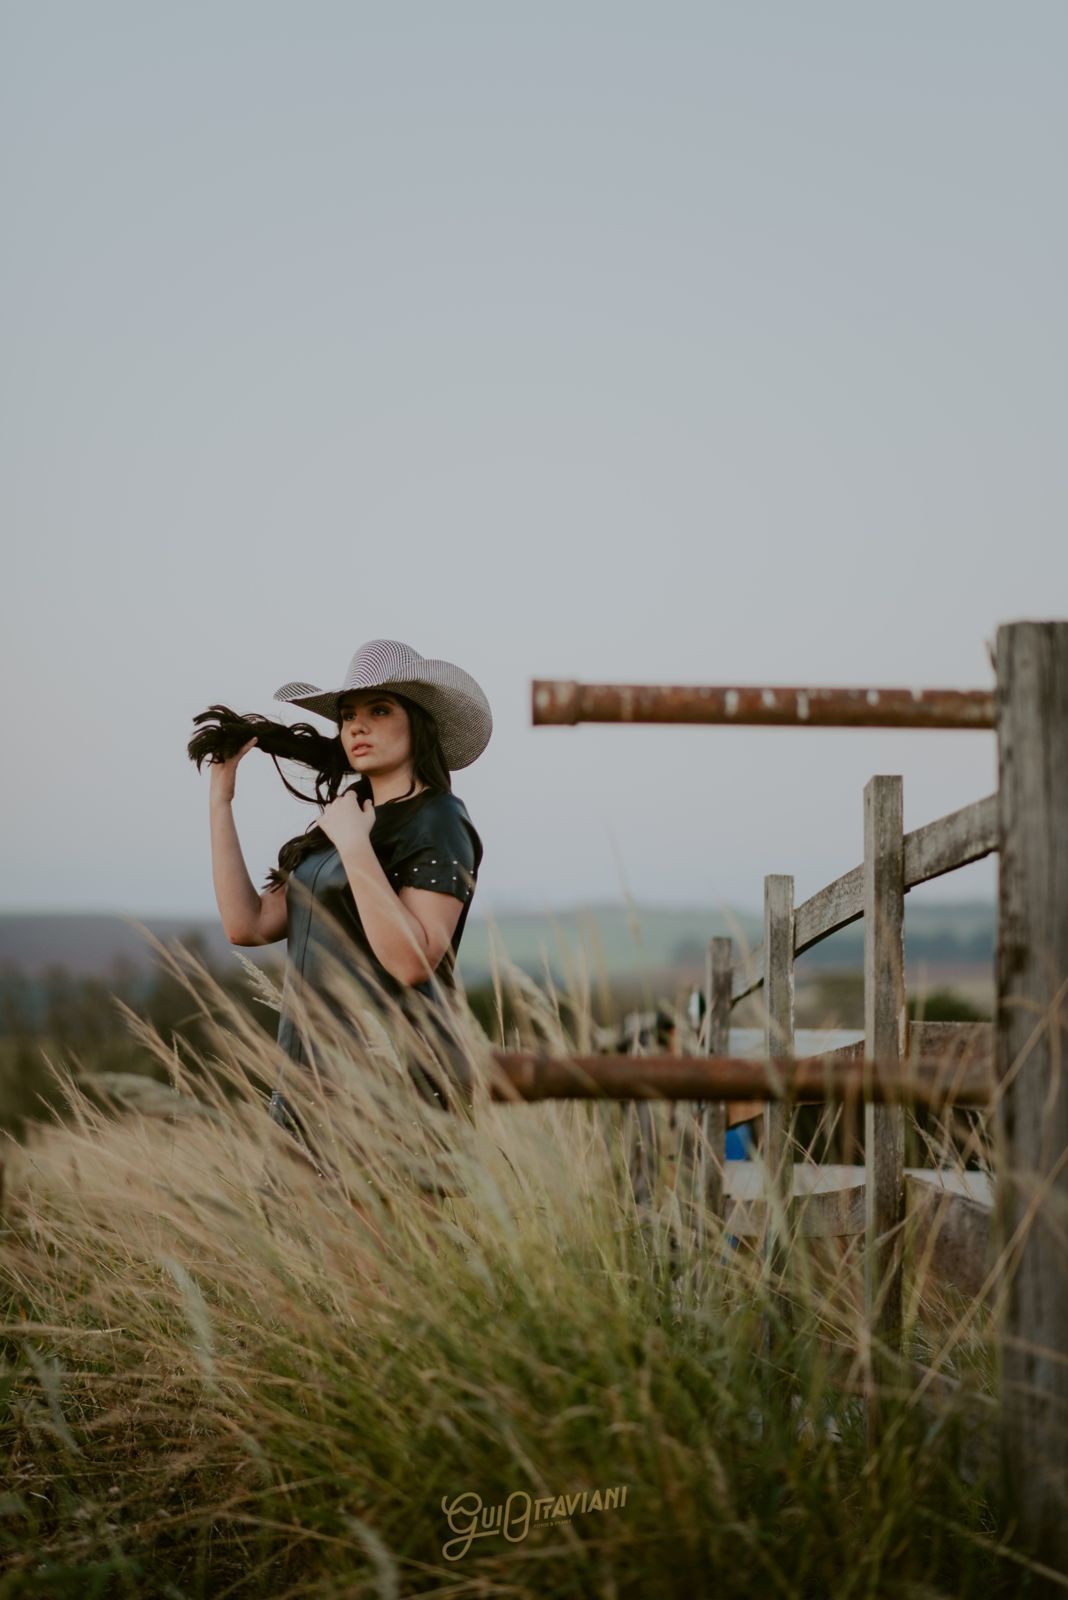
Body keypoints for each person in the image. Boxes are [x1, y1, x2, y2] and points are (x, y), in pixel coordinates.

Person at [190, 637, 491, 1184]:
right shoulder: (345, 819)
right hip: (310, 1074)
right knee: (305, 1264)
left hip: (396, 1079)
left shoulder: (438, 820)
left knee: (379, 1267)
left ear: (418, 722)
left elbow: (411, 961)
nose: (356, 726)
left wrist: (355, 845)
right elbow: (249, 923)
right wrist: (221, 802)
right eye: (348, 715)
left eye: (379, 710)